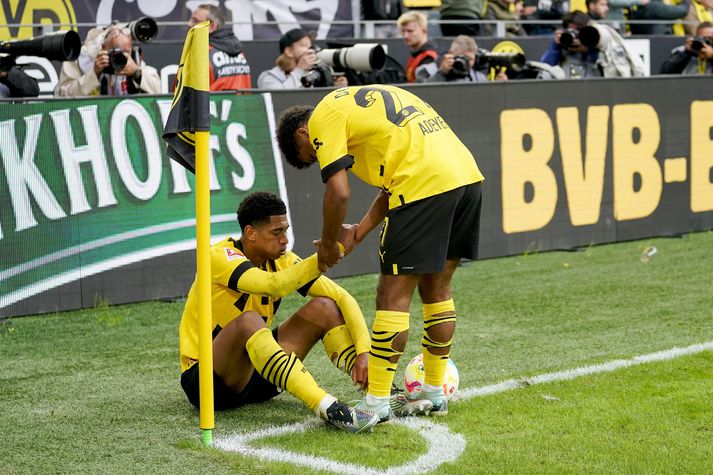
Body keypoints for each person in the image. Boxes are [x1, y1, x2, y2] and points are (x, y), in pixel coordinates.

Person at [276, 85, 485, 422]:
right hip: (466, 178)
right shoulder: (358, 105)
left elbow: (339, 192)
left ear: (304, 132)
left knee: (392, 295)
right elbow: (389, 190)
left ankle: (375, 403)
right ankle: (434, 392)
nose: (320, 157)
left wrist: (328, 244)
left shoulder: (323, 118)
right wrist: (356, 233)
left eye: (312, 154)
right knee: (437, 288)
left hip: (422, 184)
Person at [178, 191, 378, 433]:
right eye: (276, 233)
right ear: (250, 233)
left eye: (286, 230)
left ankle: (379, 392)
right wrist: (324, 256)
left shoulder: (281, 260)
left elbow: (342, 296)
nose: (285, 240)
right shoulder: (218, 256)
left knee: (324, 307)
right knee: (249, 321)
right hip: (208, 383)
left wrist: (364, 352)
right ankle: (330, 408)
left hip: (257, 375)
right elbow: (273, 285)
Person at [55, 24, 160, 97]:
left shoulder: (133, 60)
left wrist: (137, 73)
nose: (121, 57)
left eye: (126, 52)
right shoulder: (81, 59)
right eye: (115, 51)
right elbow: (63, 96)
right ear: (103, 47)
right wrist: (94, 74)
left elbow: (158, 91)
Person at [540, 11, 645, 78]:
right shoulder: (562, 44)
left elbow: (606, 66)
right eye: (571, 30)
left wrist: (587, 49)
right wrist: (556, 45)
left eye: (578, 30)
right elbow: (545, 67)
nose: (574, 34)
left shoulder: (598, 43)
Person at [189, 4, 251, 91]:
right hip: (243, 100)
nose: (189, 24)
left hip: (210, 100)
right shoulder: (239, 52)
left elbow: (185, 93)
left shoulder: (201, 53)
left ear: (212, 27)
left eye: (195, 21)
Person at [415, 35, 504, 82]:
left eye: (471, 59)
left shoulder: (479, 78)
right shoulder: (426, 71)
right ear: (450, 54)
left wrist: (499, 86)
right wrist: (442, 73)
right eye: (464, 58)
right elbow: (422, 97)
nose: (467, 63)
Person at [397, 11, 439, 83]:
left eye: (410, 31)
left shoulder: (429, 58)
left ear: (424, 30)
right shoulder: (416, 55)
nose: (405, 36)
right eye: (403, 31)